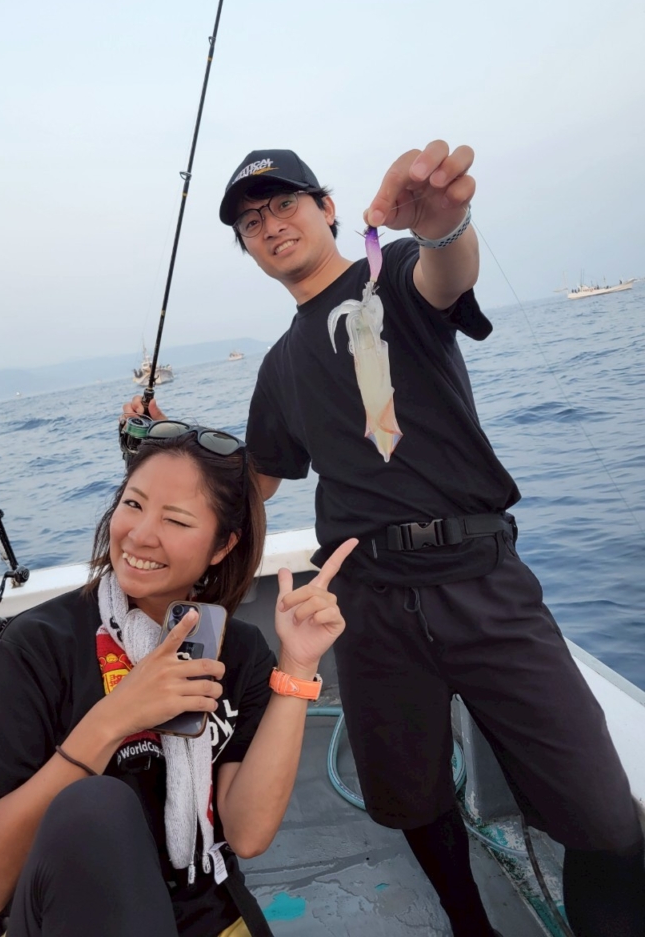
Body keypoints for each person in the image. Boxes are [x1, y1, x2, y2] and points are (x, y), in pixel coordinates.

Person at [125, 144, 645, 937]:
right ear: (248, 248)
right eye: (252, 222)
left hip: (482, 581)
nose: (271, 226)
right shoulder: (279, 367)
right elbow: (258, 480)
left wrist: (444, 226)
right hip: (369, 602)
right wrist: (171, 445)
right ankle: (470, 926)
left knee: (605, 814)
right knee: (410, 796)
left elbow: (446, 275)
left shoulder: (391, 276)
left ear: (328, 208)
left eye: (285, 204)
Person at [0, 422, 356, 937]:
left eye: (176, 520)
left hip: (204, 910)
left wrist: (296, 665)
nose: (140, 535)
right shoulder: (36, 647)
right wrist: (115, 716)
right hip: (70, 918)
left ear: (223, 546)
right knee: (97, 806)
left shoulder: (238, 652)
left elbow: (248, 835)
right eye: (133, 504)